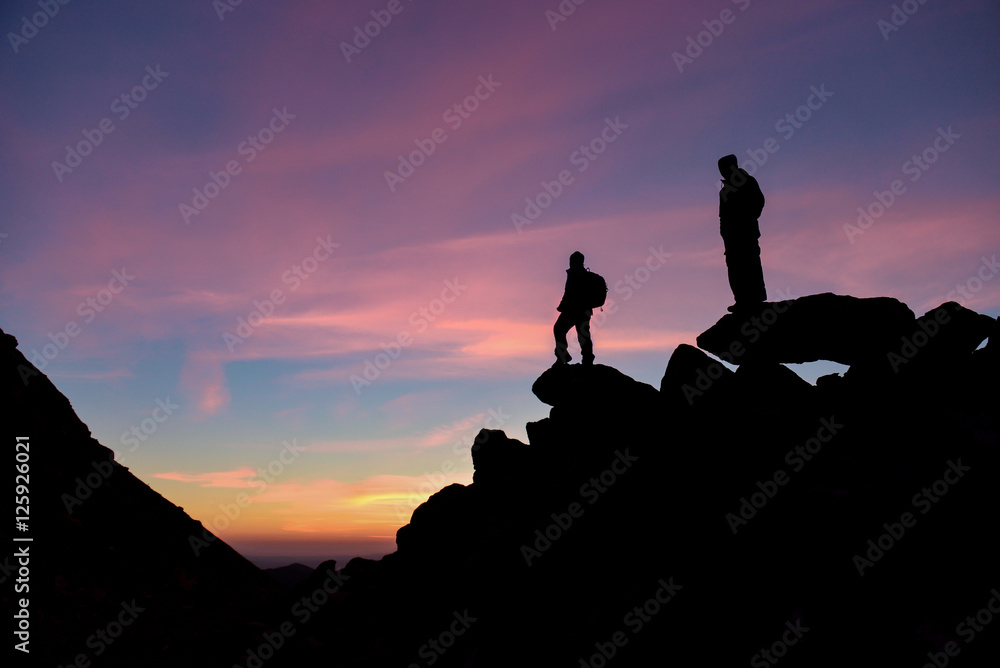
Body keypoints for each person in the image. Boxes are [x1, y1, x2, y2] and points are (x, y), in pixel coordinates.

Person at [718, 154, 767, 312]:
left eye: (724, 167)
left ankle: (756, 299)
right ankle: (741, 300)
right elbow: (723, 215)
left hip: (746, 233)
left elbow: (759, 202)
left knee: (750, 263)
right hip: (731, 237)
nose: (722, 171)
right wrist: (724, 232)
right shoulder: (724, 191)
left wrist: (748, 218)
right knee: (734, 267)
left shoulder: (748, 181)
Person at [553, 251, 594, 366]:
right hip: (585, 310)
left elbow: (569, 292)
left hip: (572, 309)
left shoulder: (574, 273)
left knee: (559, 329)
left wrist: (562, 306)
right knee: (583, 335)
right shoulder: (585, 274)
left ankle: (562, 357)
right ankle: (587, 359)